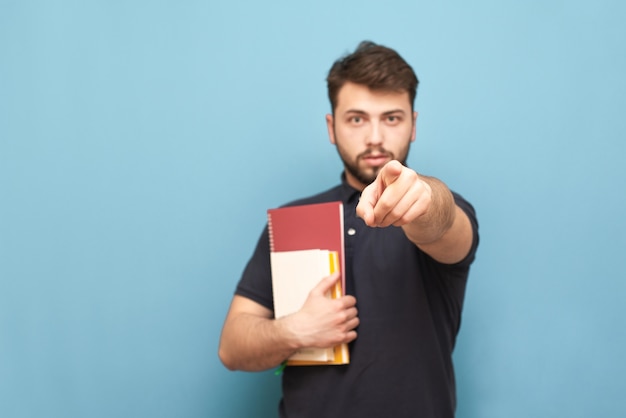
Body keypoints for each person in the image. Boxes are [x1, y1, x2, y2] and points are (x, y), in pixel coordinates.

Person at [218, 41, 479, 418]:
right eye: (357, 119)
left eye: (391, 118)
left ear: (413, 124)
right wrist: (294, 331)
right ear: (332, 126)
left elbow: (442, 222)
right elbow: (231, 348)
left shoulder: (439, 207)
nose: (375, 137)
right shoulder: (293, 220)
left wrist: (425, 196)